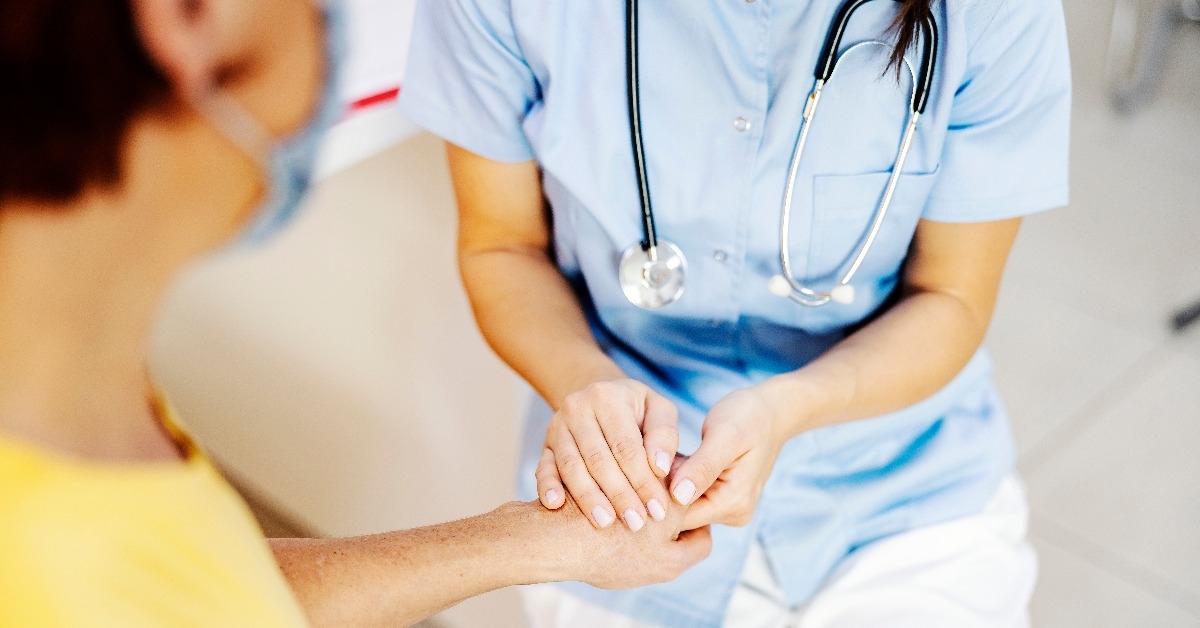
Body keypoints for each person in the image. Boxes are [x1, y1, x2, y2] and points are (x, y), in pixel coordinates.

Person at [0, 0, 712, 625]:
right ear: (187, 13)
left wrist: (537, 541)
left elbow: (199, 591)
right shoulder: (45, 560)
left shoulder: (66, 376)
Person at [398, 0, 1071, 625]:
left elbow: (952, 297)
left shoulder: (993, 13)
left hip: (898, 483)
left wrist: (789, 408)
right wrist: (585, 383)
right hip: (625, 496)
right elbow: (502, 245)